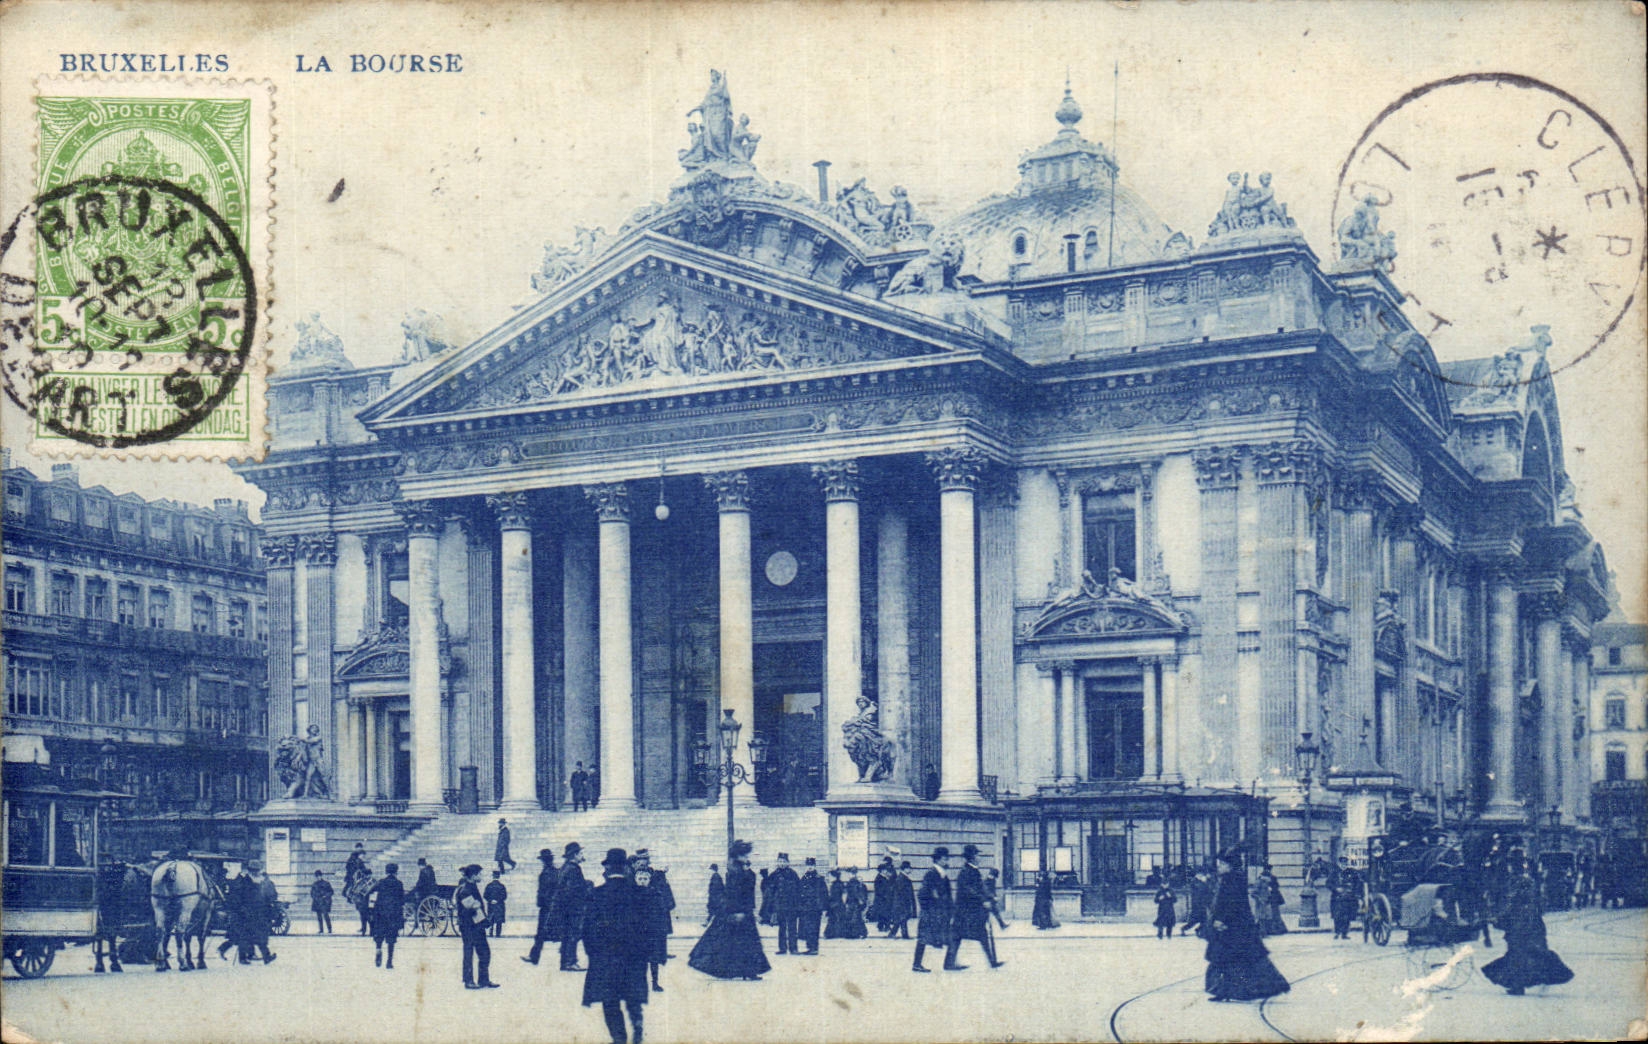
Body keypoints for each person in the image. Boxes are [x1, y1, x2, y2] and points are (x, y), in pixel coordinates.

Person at [1203, 849, 1290, 1002]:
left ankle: (1233, 990)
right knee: (1228, 959)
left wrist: (1221, 920)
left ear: (1229, 865)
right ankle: (1224, 990)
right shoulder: (1229, 878)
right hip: (1231, 927)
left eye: (1222, 864)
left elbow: (1232, 904)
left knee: (1235, 960)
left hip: (1234, 927)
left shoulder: (1233, 879)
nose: (1219, 867)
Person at [1481, 857, 1574, 996]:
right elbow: (1541, 903)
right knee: (1533, 952)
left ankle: (1517, 986)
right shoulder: (1531, 882)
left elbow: (1510, 904)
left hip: (1520, 924)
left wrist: (1497, 917)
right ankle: (1525, 982)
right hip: (1534, 923)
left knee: (1516, 954)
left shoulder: (1515, 883)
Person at [584, 848, 650, 1044]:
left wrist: (593, 954)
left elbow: (588, 929)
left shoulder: (597, 894)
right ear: (625, 867)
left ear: (608, 868)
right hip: (633, 955)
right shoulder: (639, 893)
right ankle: (637, 1023)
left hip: (606, 956)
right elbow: (648, 926)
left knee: (610, 1000)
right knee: (632, 995)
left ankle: (619, 1037)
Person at [688, 839, 771, 980]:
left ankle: (744, 971)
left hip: (743, 911)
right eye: (744, 855)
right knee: (740, 942)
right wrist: (737, 912)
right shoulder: (735, 871)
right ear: (737, 855)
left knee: (741, 942)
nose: (747, 857)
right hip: (739, 911)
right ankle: (743, 971)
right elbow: (734, 894)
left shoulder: (738, 869)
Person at [946, 844, 1003, 969]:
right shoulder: (966, 872)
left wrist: (990, 897)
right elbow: (968, 890)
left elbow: (981, 888)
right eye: (977, 854)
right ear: (972, 857)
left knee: (968, 935)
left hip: (970, 911)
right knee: (959, 936)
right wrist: (983, 900)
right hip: (965, 911)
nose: (979, 857)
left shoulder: (974, 870)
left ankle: (992, 961)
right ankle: (992, 961)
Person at [455, 863, 499, 988]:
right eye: (480, 874)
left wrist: (484, 919)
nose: (481, 876)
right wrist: (484, 919)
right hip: (469, 926)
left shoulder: (472, 887)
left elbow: (477, 908)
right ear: (473, 875)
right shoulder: (466, 890)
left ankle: (483, 980)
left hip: (476, 926)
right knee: (469, 953)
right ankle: (469, 981)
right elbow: (472, 910)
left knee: (484, 952)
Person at [912, 847, 954, 973]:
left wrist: (950, 910)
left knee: (949, 937)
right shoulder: (931, 874)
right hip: (931, 913)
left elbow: (947, 895)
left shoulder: (943, 875)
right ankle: (917, 964)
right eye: (945, 859)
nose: (947, 861)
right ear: (939, 860)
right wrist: (930, 908)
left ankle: (949, 963)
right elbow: (922, 894)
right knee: (924, 938)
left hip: (940, 913)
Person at [630, 850, 676, 962]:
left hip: (655, 905)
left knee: (660, 931)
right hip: (642, 906)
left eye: (646, 859)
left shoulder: (652, 872)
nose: (644, 861)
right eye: (642, 859)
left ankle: (661, 952)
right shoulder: (633, 873)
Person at [552, 842, 591, 971]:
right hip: (573, 908)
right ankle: (571, 962)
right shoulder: (574, 869)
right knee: (573, 934)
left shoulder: (565, 867)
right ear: (574, 855)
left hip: (564, 908)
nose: (582, 855)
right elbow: (573, 889)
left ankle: (565, 962)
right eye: (580, 853)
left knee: (567, 934)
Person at [633, 864, 671, 992]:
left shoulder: (655, 893)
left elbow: (662, 912)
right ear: (635, 880)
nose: (642, 881)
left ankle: (655, 983)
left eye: (645, 879)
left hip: (651, 932)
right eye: (640, 879)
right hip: (636, 932)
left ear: (649, 880)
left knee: (653, 959)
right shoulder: (630, 895)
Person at [524, 848, 560, 965]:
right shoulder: (556, 872)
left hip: (547, 907)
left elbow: (543, 892)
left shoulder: (545, 874)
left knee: (541, 932)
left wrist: (540, 902)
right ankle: (534, 956)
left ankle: (534, 956)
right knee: (547, 932)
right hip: (554, 906)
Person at [367, 863, 405, 969]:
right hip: (393, 914)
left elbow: (370, 891)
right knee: (391, 938)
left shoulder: (381, 882)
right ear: (396, 872)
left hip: (380, 913)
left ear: (386, 871)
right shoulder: (399, 884)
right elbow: (402, 900)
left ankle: (378, 949)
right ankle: (389, 962)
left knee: (379, 934)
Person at [767, 853, 802, 954]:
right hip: (780, 906)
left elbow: (798, 890)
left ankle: (793, 948)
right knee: (781, 928)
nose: (782, 863)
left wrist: (797, 904)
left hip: (791, 906)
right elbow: (770, 891)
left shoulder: (793, 874)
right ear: (777, 862)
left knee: (792, 927)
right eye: (780, 861)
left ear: (788, 863)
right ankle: (782, 948)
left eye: (784, 862)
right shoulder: (774, 875)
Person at [795, 857, 829, 954]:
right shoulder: (804, 878)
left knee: (814, 928)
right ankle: (810, 947)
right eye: (808, 865)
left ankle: (814, 948)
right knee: (807, 928)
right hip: (805, 908)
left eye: (812, 865)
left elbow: (824, 893)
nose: (810, 867)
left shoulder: (819, 879)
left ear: (814, 866)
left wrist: (824, 908)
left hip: (815, 908)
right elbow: (800, 892)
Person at [1329, 858, 1361, 941]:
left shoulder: (1352, 872)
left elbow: (1357, 883)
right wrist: (1336, 889)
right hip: (1337, 898)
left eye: (1345, 863)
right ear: (1339, 864)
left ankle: (1344, 933)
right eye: (1342, 863)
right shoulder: (1334, 873)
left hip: (1348, 898)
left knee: (1347, 916)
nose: (1344, 865)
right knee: (1337, 916)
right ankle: (1337, 932)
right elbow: (1328, 883)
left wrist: (1353, 891)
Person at [1254, 864, 1287, 936]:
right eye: (1268, 869)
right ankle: (1269, 931)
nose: (1268, 871)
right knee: (1268, 915)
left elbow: (1276, 886)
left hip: (1271, 898)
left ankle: (1270, 930)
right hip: (1268, 899)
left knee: (1271, 915)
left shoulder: (1267, 877)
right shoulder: (1263, 879)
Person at [1183, 866, 1214, 938]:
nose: (1202, 875)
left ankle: (1198, 930)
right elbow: (1200, 891)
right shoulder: (1195, 882)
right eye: (1201, 874)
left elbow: (1208, 891)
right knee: (1194, 920)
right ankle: (1184, 928)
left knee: (1204, 920)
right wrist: (1204, 882)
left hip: (1202, 903)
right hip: (1197, 904)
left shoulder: (1202, 881)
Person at [889, 861, 916, 939]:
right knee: (902, 919)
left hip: (902, 903)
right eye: (909, 868)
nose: (911, 870)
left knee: (901, 919)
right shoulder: (901, 879)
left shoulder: (903, 878)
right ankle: (904, 935)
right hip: (901, 903)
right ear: (905, 869)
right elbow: (901, 893)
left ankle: (894, 934)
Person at [842, 867, 869, 939]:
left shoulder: (853, 882)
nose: (848, 875)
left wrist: (857, 901)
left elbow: (855, 892)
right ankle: (862, 933)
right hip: (853, 902)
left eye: (849, 873)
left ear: (852, 874)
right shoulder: (853, 881)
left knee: (854, 918)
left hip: (854, 902)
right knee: (857, 918)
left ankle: (855, 934)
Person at [824, 868, 848, 938]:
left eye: (830, 876)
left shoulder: (836, 885)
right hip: (837, 904)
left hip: (836, 904)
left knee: (833, 919)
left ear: (834, 876)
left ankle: (830, 934)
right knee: (837, 919)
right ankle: (838, 933)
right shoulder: (839, 883)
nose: (828, 878)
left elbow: (841, 894)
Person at [485, 870, 509, 937]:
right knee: (499, 920)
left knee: (491, 919)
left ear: (493, 876)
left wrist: (490, 900)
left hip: (491, 905)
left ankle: (491, 933)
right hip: (499, 905)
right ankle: (498, 934)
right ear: (499, 876)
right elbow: (504, 896)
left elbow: (485, 895)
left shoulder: (489, 885)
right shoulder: (502, 886)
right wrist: (498, 901)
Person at [310, 870, 334, 934]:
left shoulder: (326, 883)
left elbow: (331, 892)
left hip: (324, 902)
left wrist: (325, 896)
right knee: (319, 917)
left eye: (319, 876)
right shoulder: (314, 884)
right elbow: (312, 893)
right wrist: (315, 897)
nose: (318, 877)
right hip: (317, 902)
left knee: (326, 915)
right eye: (317, 876)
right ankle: (321, 930)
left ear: (321, 876)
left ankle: (329, 929)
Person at [705, 862, 724, 927]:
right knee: (713, 911)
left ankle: (707, 923)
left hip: (715, 898)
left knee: (714, 911)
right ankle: (707, 922)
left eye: (711, 869)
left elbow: (715, 888)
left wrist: (712, 897)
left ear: (713, 869)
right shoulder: (716, 876)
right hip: (716, 897)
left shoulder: (715, 876)